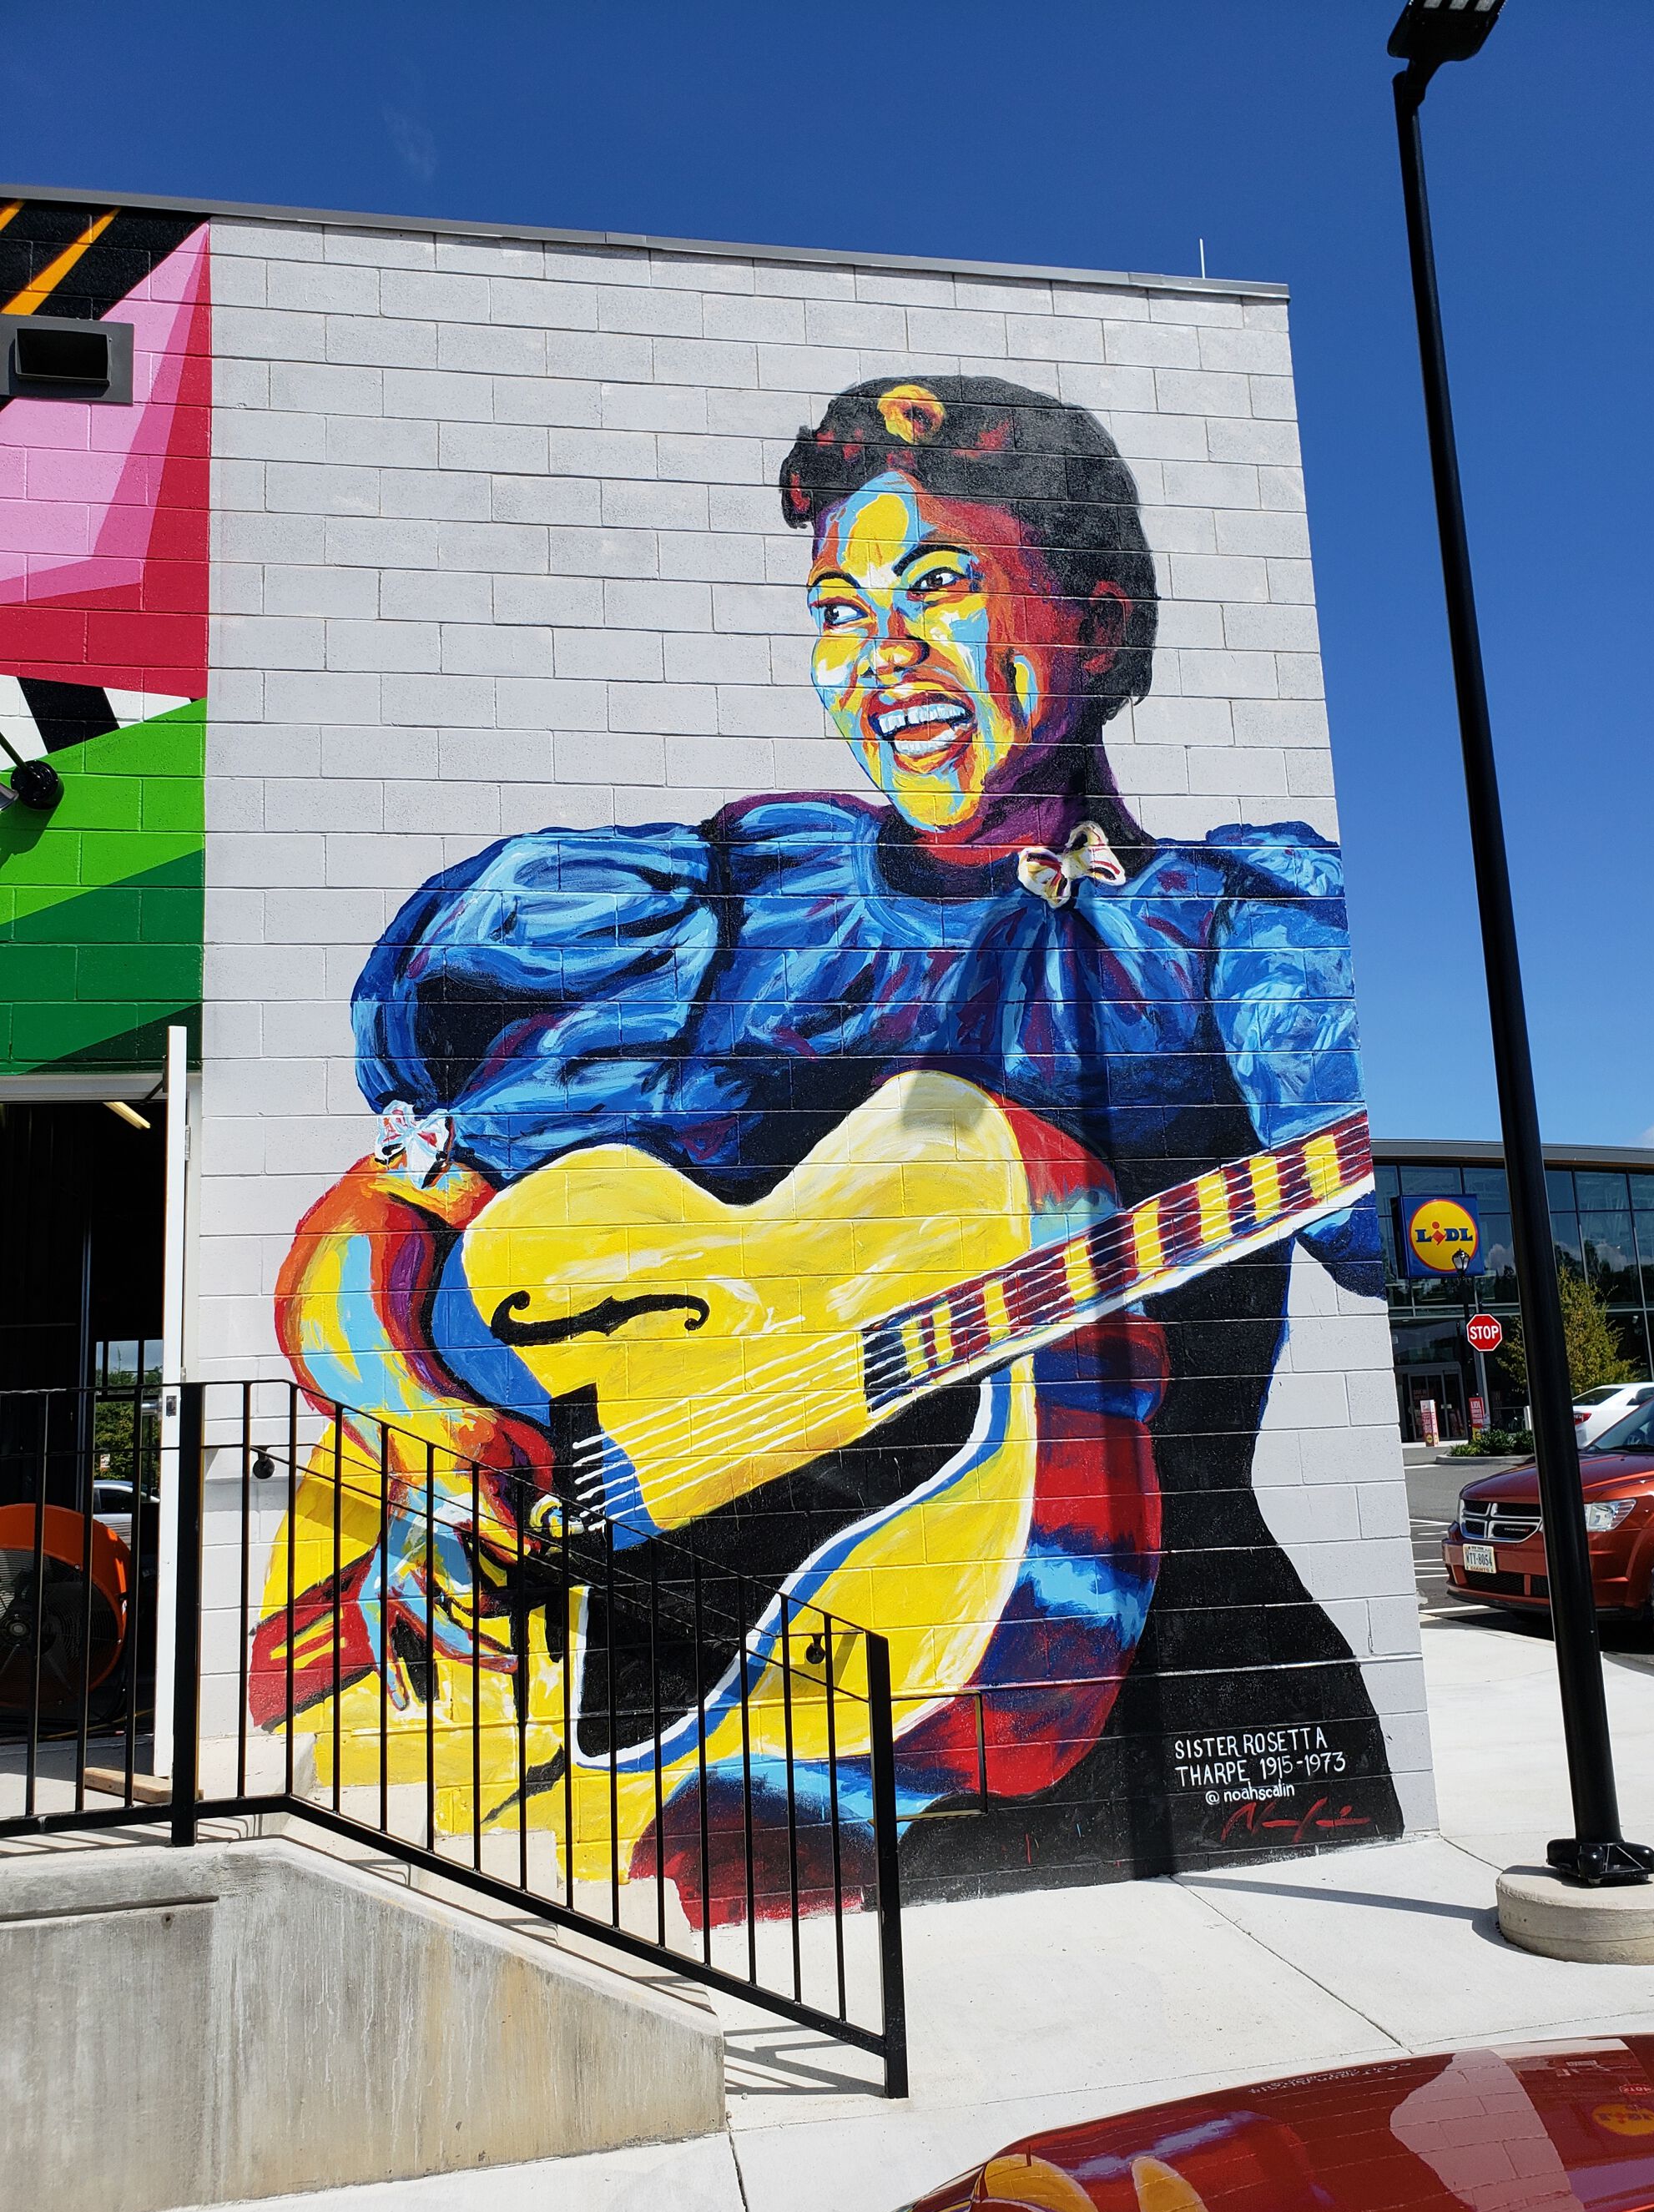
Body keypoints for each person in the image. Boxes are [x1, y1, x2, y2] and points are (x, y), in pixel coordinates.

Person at [257, 375, 1401, 1907]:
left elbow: (1412, 1225)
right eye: (842, 610)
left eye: (939, 589)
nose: (889, 659)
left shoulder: (1233, 939)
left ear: (1103, 629)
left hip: (1173, 1720)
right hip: (735, 1740)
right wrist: (463, 1449)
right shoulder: (749, 916)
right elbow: (378, 1227)